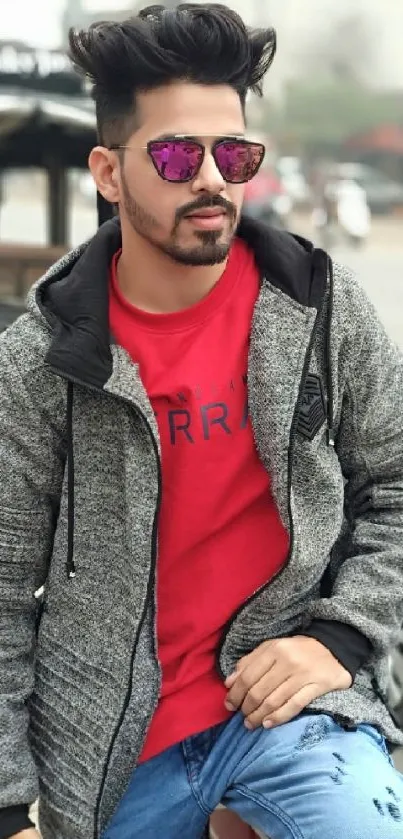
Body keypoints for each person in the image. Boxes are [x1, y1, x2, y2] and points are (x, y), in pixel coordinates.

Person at [1, 5, 403, 839]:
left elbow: (394, 485)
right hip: (110, 761)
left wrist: (340, 635)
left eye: (234, 153)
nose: (212, 178)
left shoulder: (320, 310)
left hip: (290, 712)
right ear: (108, 173)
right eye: (178, 154)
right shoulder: (39, 364)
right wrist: (10, 810)